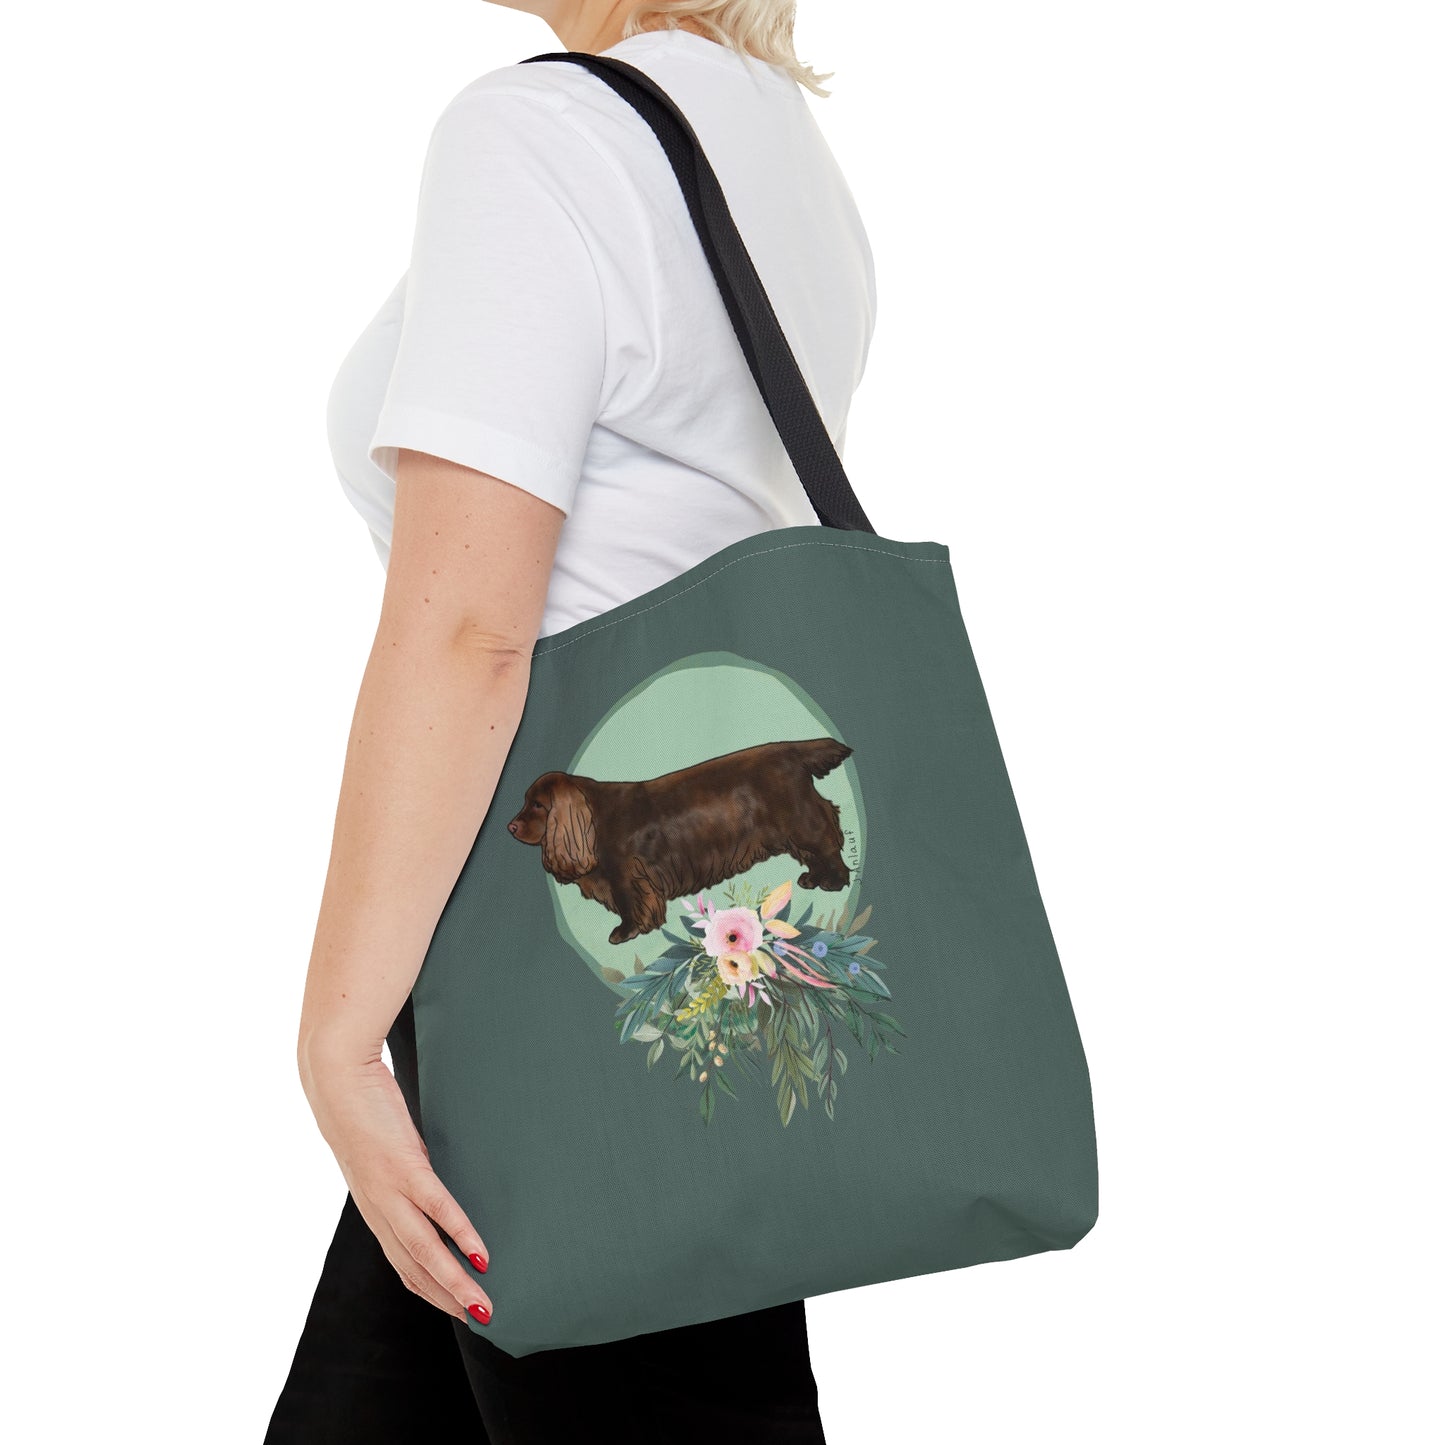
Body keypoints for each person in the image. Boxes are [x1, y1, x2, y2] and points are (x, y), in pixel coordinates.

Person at [266, 3, 875, 1440]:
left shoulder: (541, 133)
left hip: (550, 1015)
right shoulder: (767, 138)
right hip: (673, 985)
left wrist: (339, 1036)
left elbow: (470, 633)